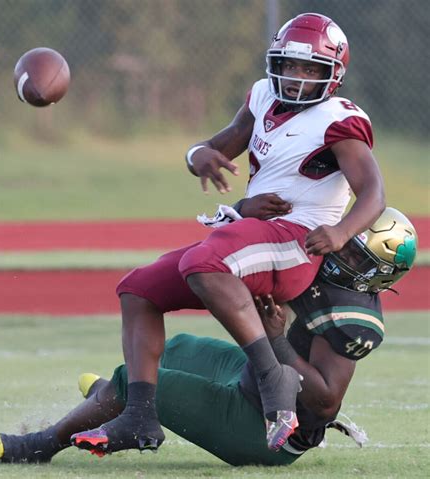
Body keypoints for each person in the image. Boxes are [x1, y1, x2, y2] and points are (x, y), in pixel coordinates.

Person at [99, 12, 385, 453]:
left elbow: (373, 193)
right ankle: (140, 415)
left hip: (297, 241)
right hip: (251, 233)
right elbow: (218, 144)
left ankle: (274, 378)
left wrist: (342, 231)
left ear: (333, 76)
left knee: (204, 261)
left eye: (311, 69)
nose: (297, 77)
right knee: (137, 289)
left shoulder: (339, 120)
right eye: (289, 65)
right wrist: (198, 156)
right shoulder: (262, 95)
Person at [0, 207, 417, 465]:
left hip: (266, 429)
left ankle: (44, 443)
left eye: (352, 252)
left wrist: (278, 340)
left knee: (136, 385)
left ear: (375, 272)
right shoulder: (318, 255)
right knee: (171, 351)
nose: (337, 247)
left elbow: (324, 401)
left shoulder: (353, 318)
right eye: (344, 239)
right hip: (251, 376)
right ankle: (107, 398)